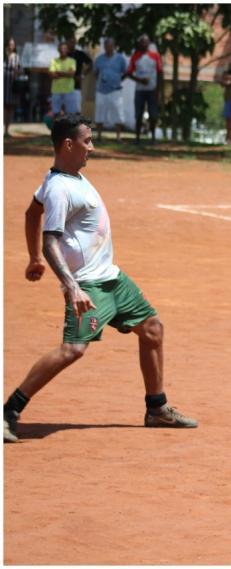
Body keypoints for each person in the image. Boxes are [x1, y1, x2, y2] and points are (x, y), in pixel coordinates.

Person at [4, 114, 197, 443]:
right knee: (72, 350)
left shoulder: (67, 178)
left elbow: (31, 212)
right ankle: (8, 411)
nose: (92, 147)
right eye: (87, 141)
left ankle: (156, 408)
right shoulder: (60, 189)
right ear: (68, 144)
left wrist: (33, 258)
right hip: (88, 284)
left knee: (152, 329)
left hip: (113, 278)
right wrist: (71, 285)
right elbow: (52, 239)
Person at [126, 34, 163, 144]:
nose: (144, 44)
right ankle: (137, 138)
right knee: (138, 114)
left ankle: (153, 138)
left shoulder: (155, 56)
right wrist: (139, 80)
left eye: (146, 42)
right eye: (142, 42)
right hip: (140, 90)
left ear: (149, 43)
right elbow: (129, 73)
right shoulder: (135, 56)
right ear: (139, 43)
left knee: (153, 115)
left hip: (152, 90)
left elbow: (160, 72)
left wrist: (158, 89)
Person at [93, 38, 127, 142]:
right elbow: (95, 73)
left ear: (114, 46)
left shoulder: (120, 59)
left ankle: (118, 137)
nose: (109, 47)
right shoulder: (99, 59)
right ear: (104, 46)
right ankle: (99, 136)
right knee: (99, 113)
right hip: (101, 90)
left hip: (116, 90)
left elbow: (125, 72)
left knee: (118, 112)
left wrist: (117, 80)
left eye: (111, 45)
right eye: (107, 45)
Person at [49, 41, 78, 116]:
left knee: (71, 113)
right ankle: (57, 128)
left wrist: (58, 72)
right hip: (56, 90)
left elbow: (71, 74)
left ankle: (70, 128)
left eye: (65, 48)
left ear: (68, 50)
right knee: (56, 113)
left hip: (69, 90)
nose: (63, 50)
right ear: (58, 50)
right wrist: (66, 73)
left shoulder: (72, 61)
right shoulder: (54, 61)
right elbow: (52, 75)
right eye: (61, 48)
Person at [66, 37, 92, 115]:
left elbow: (90, 63)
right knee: (66, 109)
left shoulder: (79, 54)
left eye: (73, 42)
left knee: (77, 108)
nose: (72, 44)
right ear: (67, 43)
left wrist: (83, 75)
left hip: (76, 85)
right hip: (64, 85)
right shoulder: (64, 54)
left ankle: (76, 125)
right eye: (70, 42)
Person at [5, 37, 22, 137]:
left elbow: (22, 70)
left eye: (13, 45)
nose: (11, 46)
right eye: (10, 44)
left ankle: (7, 130)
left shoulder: (16, 57)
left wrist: (17, 71)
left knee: (9, 108)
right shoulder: (3, 56)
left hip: (11, 86)